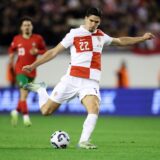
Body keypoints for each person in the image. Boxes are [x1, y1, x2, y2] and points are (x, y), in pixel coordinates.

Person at [22, 8, 154, 148]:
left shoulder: (101, 36)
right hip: (71, 79)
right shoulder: (74, 34)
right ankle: (41, 89)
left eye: (96, 22)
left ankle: (83, 141)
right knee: (46, 111)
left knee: (94, 107)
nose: (93, 24)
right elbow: (54, 52)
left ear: (100, 22)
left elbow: (121, 41)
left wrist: (142, 38)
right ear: (85, 19)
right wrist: (34, 65)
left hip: (90, 82)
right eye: (91, 21)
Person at [9, 16, 46, 127]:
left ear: (32, 27)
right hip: (20, 71)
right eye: (25, 25)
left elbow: (44, 51)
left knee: (23, 96)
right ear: (21, 27)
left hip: (32, 71)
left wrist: (37, 51)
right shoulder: (16, 39)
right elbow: (11, 50)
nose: (27, 27)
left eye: (28, 25)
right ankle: (26, 117)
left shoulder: (38, 39)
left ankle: (15, 111)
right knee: (24, 93)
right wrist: (11, 60)